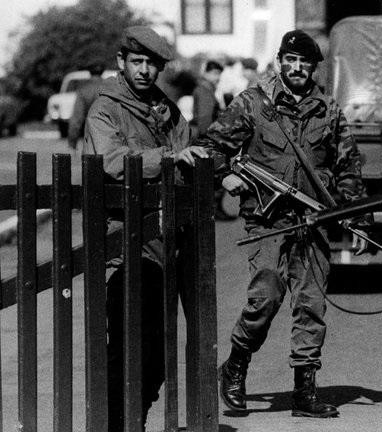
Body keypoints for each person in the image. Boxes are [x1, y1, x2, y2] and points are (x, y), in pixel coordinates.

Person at [196, 29, 367, 418]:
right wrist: (225, 175)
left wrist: (358, 220)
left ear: (313, 68)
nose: (297, 69)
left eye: (305, 63)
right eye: (290, 61)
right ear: (279, 62)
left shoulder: (328, 110)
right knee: (266, 297)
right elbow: (210, 147)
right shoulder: (253, 105)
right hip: (268, 221)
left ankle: (304, 393)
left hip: (314, 222)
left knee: (311, 306)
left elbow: (348, 168)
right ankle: (235, 367)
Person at [83, 25, 208, 431]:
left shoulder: (167, 111)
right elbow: (113, 161)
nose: (144, 71)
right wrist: (170, 158)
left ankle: (130, 420)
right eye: (136, 62)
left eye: (151, 64)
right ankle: (118, 424)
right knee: (123, 349)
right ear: (121, 62)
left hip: (163, 247)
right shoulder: (105, 109)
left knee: (156, 358)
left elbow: (190, 153)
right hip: (119, 247)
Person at [68, 64, 107, 149]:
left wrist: (72, 142)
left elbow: (77, 118)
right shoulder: (110, 87)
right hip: (108, 134)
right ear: (102, 72)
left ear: (89, 72)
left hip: (90, 134)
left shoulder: (83, 89)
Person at [192, 60, 223, 138]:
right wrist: (207, 138)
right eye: (215, 73)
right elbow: (205, 117)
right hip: (204, 135)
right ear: (206, 73)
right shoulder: (204, 90)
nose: (218, 77)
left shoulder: (207, 89)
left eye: (219, 74)